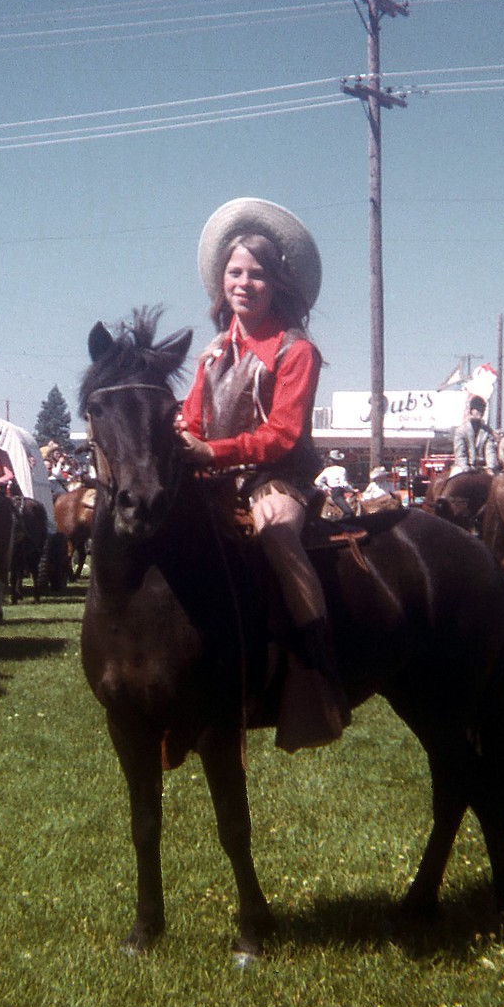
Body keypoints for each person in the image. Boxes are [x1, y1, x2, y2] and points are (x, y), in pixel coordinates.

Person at [178, 197, 349, 751]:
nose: (244, 283)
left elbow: (283, 435)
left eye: (256, 273)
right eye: (234, 272)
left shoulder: (297, 351)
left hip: (277, 478)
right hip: (215, 478)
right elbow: (192, 418)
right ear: (220, 281)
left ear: (276, 282)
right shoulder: (211, 354)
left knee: (276, 531)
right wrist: (180, 438)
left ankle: (318, 672)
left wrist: (211, 453)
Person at [450, 395, 500, 475]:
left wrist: (490, 467)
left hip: (483, 466)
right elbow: (460, 454)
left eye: (482, 410)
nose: (480, 412)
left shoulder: (487, 432)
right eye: (477, 409)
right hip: (464, 466)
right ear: (471, 411)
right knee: (455, 476)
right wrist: (466, 468)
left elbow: (490, 451)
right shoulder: (461, 431)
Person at [315, 450, 355, 518]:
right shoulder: (341, 469)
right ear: (339, 461)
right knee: (349, 512)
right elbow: (343, 484)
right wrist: (352, 490)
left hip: (333, 492)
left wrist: (326, 488)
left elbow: (317, 481)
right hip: (338, 494)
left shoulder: (327, 470)